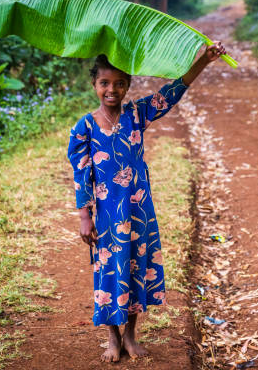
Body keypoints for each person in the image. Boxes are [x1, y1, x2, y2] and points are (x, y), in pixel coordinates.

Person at [67, 42, 226, 363]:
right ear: (94, 85)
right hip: (108, 215)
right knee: (111, 271)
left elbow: (174, 91)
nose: (112, 90)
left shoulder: (136, 114)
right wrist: (84, 217)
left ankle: (130, 336)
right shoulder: (83, 127)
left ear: (128, 86)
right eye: (104, 83)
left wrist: (205, 60)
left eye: (120, 83)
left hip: (139, 210)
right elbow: (81, 173)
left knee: (136, 268)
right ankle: (111, 338)